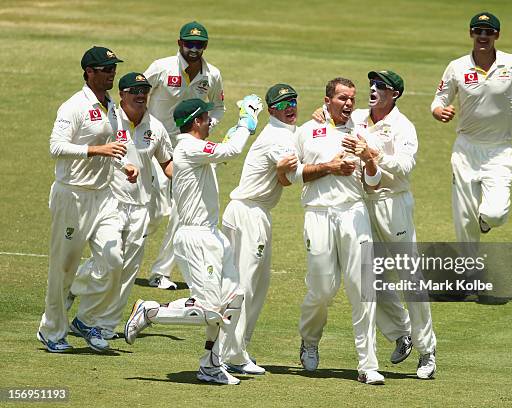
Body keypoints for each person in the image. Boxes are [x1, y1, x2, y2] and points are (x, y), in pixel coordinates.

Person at [124, 95, 263, 385]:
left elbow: (222, 152)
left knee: (233, 299)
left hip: (212, 235)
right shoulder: (188, 146)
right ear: (197, 121)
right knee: (211, 311)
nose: (210, 122)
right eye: (207, 118)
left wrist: (231, 136)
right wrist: (245, 122)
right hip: (195, 237)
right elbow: (233, 150)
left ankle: (211, 364)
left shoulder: (196, 148)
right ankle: (151, 312)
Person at [282, 78, 385, 385]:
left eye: (352, 98)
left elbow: (375, 182)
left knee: (363, 288)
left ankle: (368, 364)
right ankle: (310, 339)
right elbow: (291, 174)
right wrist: (329, 167)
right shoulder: (306, 131)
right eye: (342, 98)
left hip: (354, 211)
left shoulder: (361, 130)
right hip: (318, 213)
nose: (349, 103)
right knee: (323, 288)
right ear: (327, 100)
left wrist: (367, 158)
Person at [37, 46, 139, 353]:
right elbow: (56, 147)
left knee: (114, 260)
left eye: (113, 68)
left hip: (104, 196)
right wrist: (96, 150)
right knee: (63, 268)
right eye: (105, 69)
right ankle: (52, 331)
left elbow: (117, 145)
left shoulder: (112, 107)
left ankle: (86, 317)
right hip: (72, 195)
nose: (111, 73)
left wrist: (125, 165)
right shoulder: (74, 106)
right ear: (89, 72)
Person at [347, 70, 437, 379]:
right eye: (372, 85)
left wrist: (373, 154)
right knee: (369, 274)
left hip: (392, 203)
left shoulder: (403, 126)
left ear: (394, 94)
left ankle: (427, 351)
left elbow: (405, 165)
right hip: (360, 203)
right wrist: (322, 114)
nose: (373, 90)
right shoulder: (357, 117)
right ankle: (402, 333)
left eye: (381, 87)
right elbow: (334, 123)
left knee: (409, 276)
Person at [69, 72, 173, 339]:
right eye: (134, 90)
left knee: (127, 271)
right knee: (110, 261)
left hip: (141, 206)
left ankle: (102, 326)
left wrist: (191, 178)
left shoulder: (156, 127)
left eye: (145, 90)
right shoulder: (110, 121)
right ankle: (75, 284)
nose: (141, 94)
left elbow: (167, 164)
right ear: (122, 94)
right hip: (110, 201)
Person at [431, 12, 512, 244]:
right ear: (471, 33)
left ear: (497, 35)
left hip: (499, 150)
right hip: (466, 149)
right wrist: (438, 111)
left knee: (496, 214)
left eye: (488, 32)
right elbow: (439, 99)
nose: (482, 36)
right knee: (465, 219)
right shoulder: (457, 66)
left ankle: (485, 221)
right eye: (478, 31)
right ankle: (469, 271)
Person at [218, 84, 300, 375]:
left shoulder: (288, 131)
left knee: (257, 285)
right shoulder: (277, 136)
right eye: (283, 104)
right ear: (272, 110)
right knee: (244, 286)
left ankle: (237, 350)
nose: (290, 107)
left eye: (293, 101)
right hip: (248, 212)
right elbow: (291, 178)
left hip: (256, 212)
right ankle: (230, 353)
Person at [144, 21, 226, 290]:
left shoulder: (212, 75)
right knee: (155, 211)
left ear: (206, 46)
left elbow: (217, 108)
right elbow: (137, 95)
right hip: (153, 144)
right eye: (189, 43)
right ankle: (128, 245)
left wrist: (205, 128)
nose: (194, 49)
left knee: (182, 211)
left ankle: (160, 272)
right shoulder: (161, 67)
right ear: (179, 43)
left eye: (199, 44)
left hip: (186, 149)